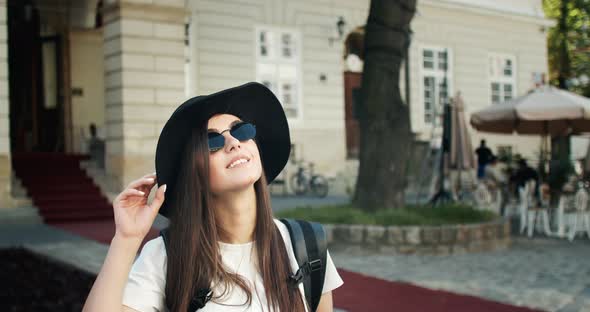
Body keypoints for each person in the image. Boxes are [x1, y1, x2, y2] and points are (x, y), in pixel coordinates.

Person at [82, 82, 343, 312]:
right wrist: (126, 240)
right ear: (193, 173)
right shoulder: (167, 257)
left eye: (241, 130)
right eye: (212, 142)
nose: (233, 143)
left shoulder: (307, 246)